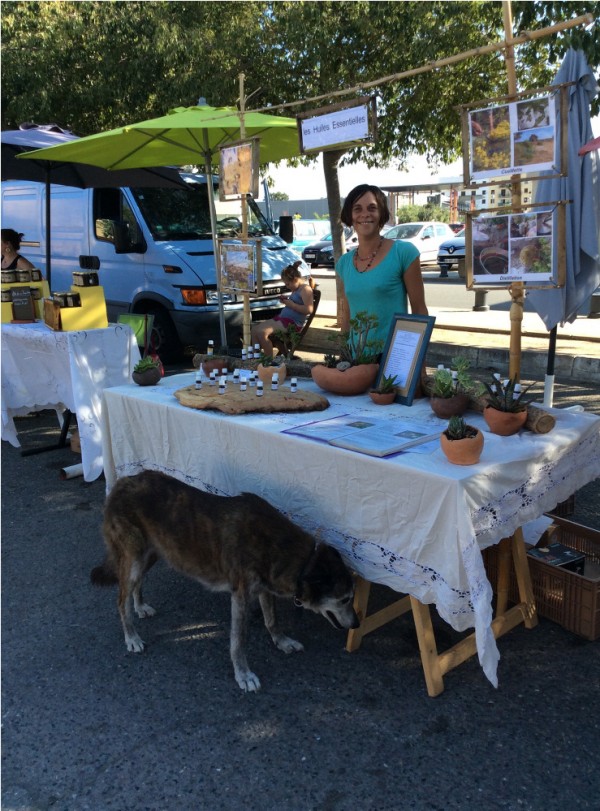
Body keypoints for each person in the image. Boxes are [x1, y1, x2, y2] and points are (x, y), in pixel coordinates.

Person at [336, 183, 428, 349]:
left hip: (393, 360)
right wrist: (344, 354)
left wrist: (418, 362)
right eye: (357, 209)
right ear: (350, 216)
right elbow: (347, 314)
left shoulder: (403, 253)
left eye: (372, 208)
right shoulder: (344, 263)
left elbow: (419, 310)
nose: (365, 214)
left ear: (381, 213)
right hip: (356, 362)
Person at [251, 260, 314, 356]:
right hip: (283, 319)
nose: (287, 287)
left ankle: (268, 362)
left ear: (296, 279)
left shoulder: (305, 289)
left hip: (292, 323)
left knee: (262, 333)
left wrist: (291, 305)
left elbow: (309, 310)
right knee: (254, 330)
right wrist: (287, 301)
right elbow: (295, 302)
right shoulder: (296, 289)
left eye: (288, 284)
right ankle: (254, 358)